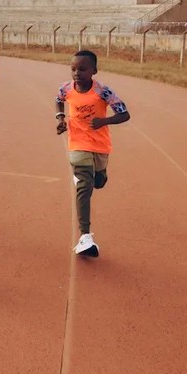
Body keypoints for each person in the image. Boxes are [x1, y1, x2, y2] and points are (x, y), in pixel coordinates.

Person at [55, 50, 130, 258]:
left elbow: (125, 114)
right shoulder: (66, 88)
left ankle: (90, 176)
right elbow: (58, 99)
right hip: (77, 143)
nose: (76, 73)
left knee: (98, 182)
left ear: (94, 71)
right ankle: (85, 236)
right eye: (73, 69)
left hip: (100, 145)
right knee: (85, 186)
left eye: (82, 69)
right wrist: (60, 118)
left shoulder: (103, 92)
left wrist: (104, 121)